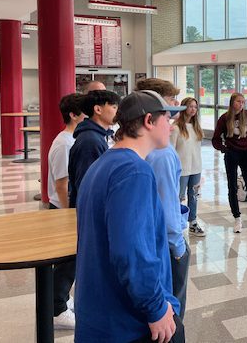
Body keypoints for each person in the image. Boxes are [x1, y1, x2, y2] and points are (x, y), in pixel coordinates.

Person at [75, 90, 183, 342]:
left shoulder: (103, 164)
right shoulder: (134, 172)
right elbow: (132, 252)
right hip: (126, 322)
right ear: (149, 121)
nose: (171, 125)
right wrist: (156, 307)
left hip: (99, 315)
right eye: (167, 118)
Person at [137, 78, 191, 320]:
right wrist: (178, 247)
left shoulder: (141, 148)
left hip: (150, 239)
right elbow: (166, 202)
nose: (172, 118)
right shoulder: (162, 154)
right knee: (172, 309)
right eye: (169, 109)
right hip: (166, 244)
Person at [47, 93, 85, 330]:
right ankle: (57, 309)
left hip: (67, 209)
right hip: (63, 209)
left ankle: (60, 300)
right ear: (73, 115)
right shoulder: (64, 143)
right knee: (66, 263)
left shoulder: (72, 139)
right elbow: (62, 184)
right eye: (84, 112)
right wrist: (70, 215)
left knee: (70, 262)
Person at [212, 92, 247, 236]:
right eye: (238, 102)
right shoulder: (224, 118)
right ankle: (237, 218)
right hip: (232, 154)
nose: (241, 104)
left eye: (243, 102)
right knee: (232, 186)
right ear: (232, 103)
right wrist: (224, 149)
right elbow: (216, 139)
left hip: (246, 153)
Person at [68, 89, 121, 209]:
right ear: (98, 109)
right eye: (114, 107)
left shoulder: (97, 136)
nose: (118, 111)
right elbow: (87, 184)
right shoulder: (90, 141)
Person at [171, 97, 205, 237]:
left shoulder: (197, 128)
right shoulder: (175, 128)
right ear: (184, 107)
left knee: (194, 196)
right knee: (178, 197)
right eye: (190, 106)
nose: (193, 109)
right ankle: (176, 223)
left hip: (195, 168)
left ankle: (193, 222)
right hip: (182, 169)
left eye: (195, 107)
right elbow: (171, 151)